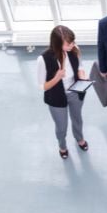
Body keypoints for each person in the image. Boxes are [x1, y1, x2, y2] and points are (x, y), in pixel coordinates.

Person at [37, 25, 88, 159]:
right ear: (57, 43)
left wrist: (82, 76)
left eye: (73, 42)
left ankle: (79, 138)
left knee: (77, 119)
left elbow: (80, 66)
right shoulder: (43, 59)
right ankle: (62, 146)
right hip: (56, 97)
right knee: (61, 127)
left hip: (75, 92)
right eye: (68, 43)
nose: (72, 45)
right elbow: (43, 87)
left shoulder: (74, 49)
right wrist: (57, 78)